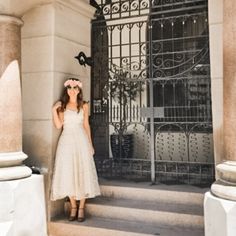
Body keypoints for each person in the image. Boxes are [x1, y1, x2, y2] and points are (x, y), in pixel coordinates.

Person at [50, 78, 101, 222]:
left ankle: (81, 207)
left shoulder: (84, 105)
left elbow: (86, 125)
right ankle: (73, 206)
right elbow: (59, 125)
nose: (72, 90)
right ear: (66, 90)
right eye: (69, 87)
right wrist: (54, 110)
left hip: (81, 140)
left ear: (79, 90)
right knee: (69, 172)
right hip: (66, 141)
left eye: (75, 87)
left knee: (82, 171)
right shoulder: (62, 106)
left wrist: (90, 144)